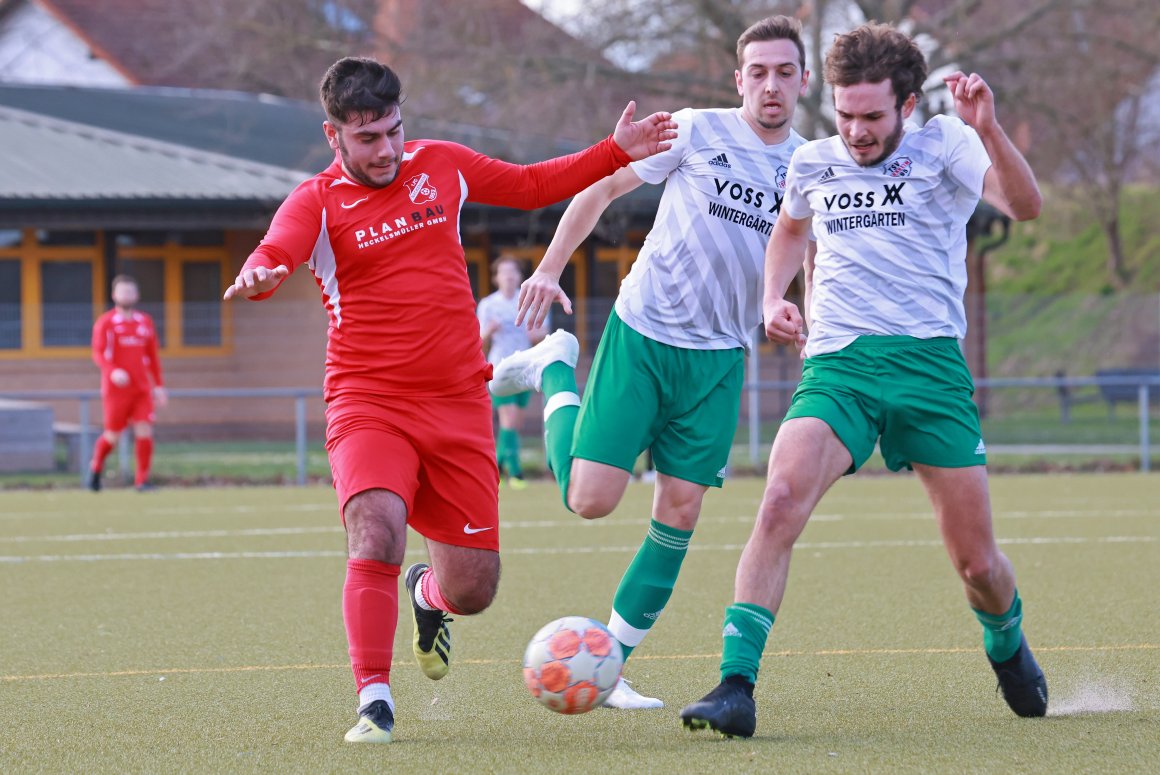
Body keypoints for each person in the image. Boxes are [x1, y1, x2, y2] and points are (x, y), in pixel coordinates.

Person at [221, 56, 675, 744]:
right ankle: (374, 699)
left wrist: (615, 151)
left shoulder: (443, 164)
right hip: (367, 399)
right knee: (375, 529)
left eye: (394, 132)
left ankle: (425, 595)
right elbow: (276, 249)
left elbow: (529, 186)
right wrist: (262, 275)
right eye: (367, 138)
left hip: (460, 401)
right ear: (334, 136)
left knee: (474, 590)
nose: (386, 150)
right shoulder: (316, 201)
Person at [679, 22, 1046, 738]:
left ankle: (1007, 640)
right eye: (845, 116)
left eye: (873, 117)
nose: (857, 132)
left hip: (930, 367)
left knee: (977, 564)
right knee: (780, 497)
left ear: (907, 104)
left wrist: (992, 129)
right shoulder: (814, 161)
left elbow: (1025, 206)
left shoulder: (947, 143)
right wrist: (770, 297)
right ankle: (734, 684)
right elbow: (790, 230)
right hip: (839, 364)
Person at [489, 16, 812, 709]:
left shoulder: (812, 163)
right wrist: (547, 270)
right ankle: (554, 365)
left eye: (784, 71)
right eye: (758, 71)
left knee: (681, 509)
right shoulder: (696, 130)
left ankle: (610, 664)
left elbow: (813, 252)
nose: (771, 84)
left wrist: (796, 312)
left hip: (721, 360)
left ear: (804, 81)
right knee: (589, 500)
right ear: (739, 80)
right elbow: (600, 187)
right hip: (644, 337)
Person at [89, 274, 167, 492]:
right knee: (112, 435)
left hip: (141, 389)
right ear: (114, 295)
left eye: (131, 291)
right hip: (116, 391)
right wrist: (113, 371)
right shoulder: (106, 323)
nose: (127, 295)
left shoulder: (145, 322)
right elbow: (98, 353)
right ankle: (95, 467)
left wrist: (159, 385)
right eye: (123, 291)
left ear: (137, 295)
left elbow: (152, 356)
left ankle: (142, 481)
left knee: (144, 430)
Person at [477, 255, 549, 489]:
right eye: (504, 272)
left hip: (525, 367)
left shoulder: (530, 299)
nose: (508, 276)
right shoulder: (488, 304)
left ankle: (496, 466)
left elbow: (543, 333)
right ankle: (516, 474)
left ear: (519, 276)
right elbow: (478, 340)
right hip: (499, 368)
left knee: (515, 423)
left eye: (513, 272)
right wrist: (489, 330)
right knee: (508, 420)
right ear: (496, 277)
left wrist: (535, 335)